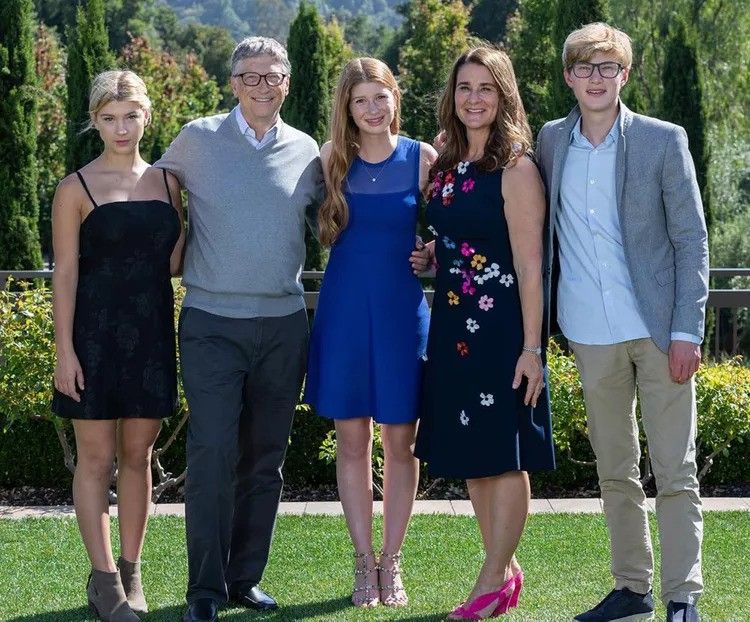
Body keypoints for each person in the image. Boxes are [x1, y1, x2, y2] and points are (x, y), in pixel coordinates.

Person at [536, 22, 708, 622]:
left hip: (661, 334)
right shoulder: (551, 141)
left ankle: (683, 596)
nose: (596, 78)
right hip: (589, 331)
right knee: (615, 469)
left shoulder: (664, 141)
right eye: (584, 67)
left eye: (608, 67)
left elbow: (691, 239)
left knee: (675, 469)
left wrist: (688, 330)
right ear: (568, 76)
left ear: (625, 75)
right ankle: (631, 588)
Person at [153, 36, 323, 622]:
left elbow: (342, 219)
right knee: (212, 451)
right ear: (232, 84)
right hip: (210, 323)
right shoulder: (196, 139)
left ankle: (243, 579)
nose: (260, 85)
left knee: (265, 458)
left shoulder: (307, 152)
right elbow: (151, 189)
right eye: (248, 76)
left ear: (287, 82)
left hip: (282, 326)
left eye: (271, 75)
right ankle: (203, 588)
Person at [412, 47, 556, 620]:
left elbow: (529, 265)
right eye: (464, 87)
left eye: (486, 88)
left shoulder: (516, 168)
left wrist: (531, 348)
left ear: (504, 96)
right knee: (474, 457)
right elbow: (458, 242)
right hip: (451, 330)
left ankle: (492, 577)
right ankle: (504, 567)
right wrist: (433, 257)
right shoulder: (446, 163)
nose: (473, 99)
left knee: (505, 452)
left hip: (500, 333)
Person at [52, 70, 184, 621]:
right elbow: (64, 274)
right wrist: (65, 350)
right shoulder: (73, 188)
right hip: (93, 338)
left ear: (146, 115)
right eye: (109, 118)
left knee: (139, 456)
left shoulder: (169, 184)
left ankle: (132, 572)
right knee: (96, 460)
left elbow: (173, 263)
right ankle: (104, 582)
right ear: (95, 121)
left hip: (151, 333)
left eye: (130, 115)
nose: (121, 127)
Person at [304, 57, 435, 608]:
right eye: (361, 100)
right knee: (352, 442)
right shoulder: (331, 159)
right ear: (347, 108)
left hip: (402, 313)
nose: (373, 108)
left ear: (394, 98)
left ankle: (392, 562)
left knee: (401, 445)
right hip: (344, 314)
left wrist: (433, 254)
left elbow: (455, 231)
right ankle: (362, 563)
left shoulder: (422, 158)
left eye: (380, 97)